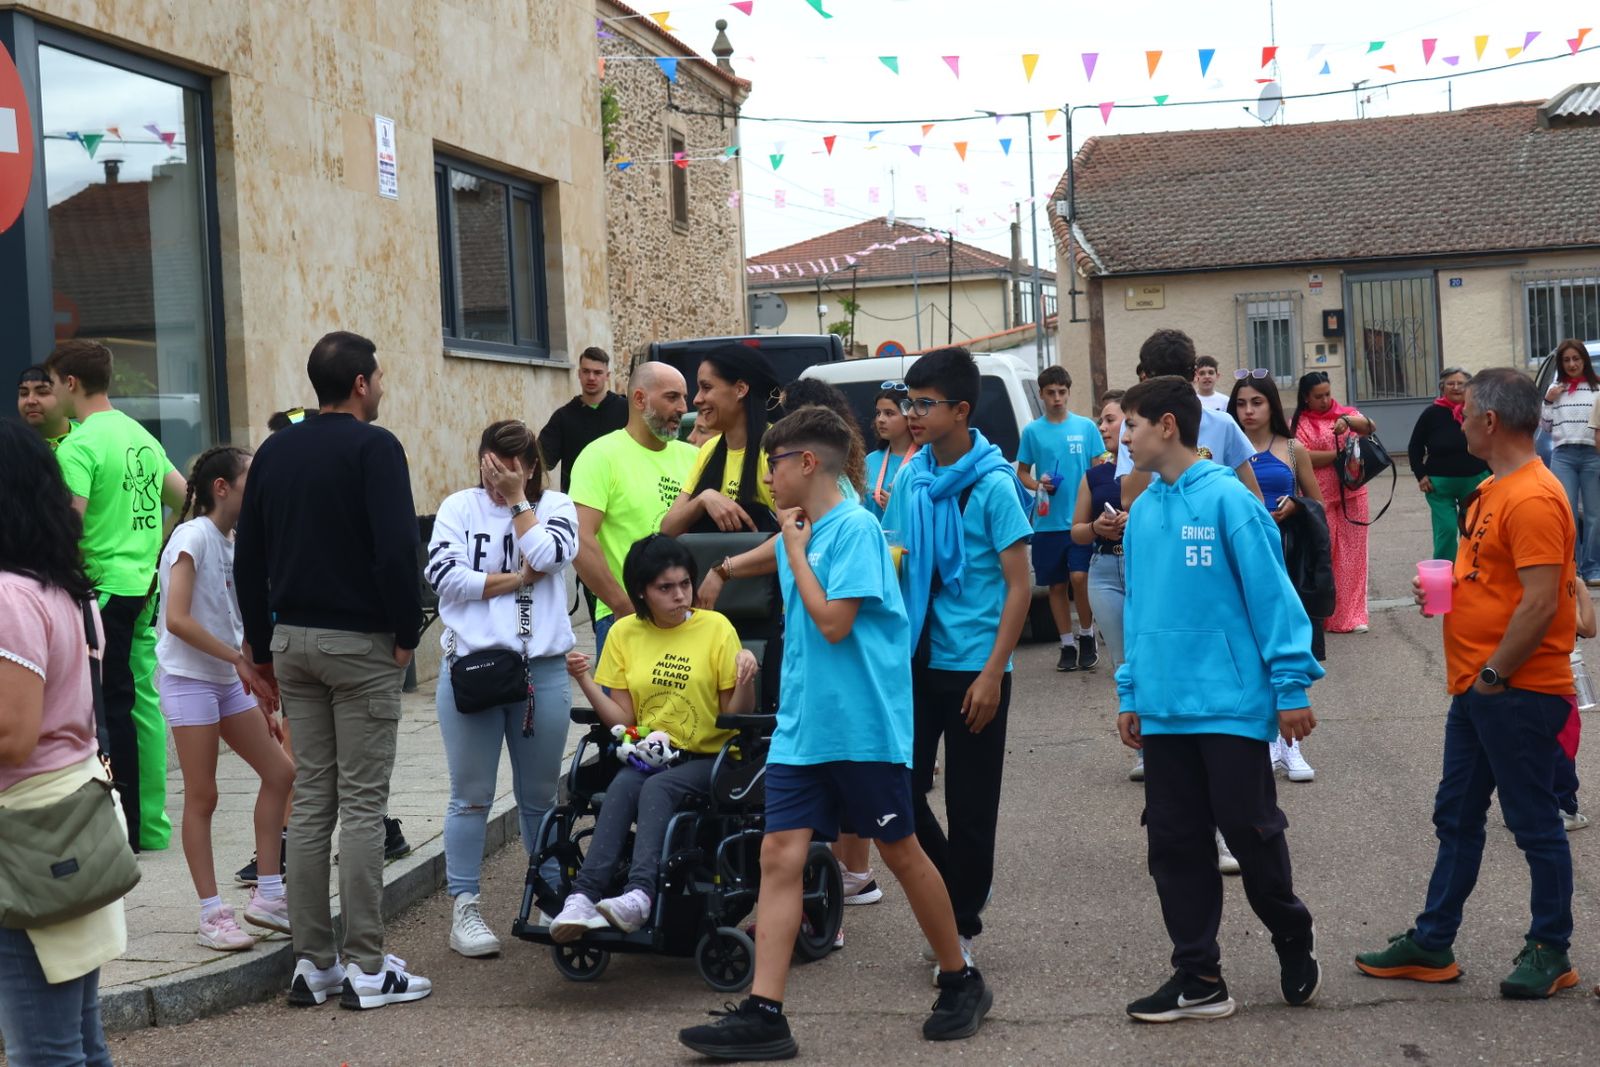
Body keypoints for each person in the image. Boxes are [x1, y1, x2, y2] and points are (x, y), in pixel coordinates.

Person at [678, 407, 993, 1058]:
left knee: (901, 852)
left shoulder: (853, 530)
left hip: (861, 727)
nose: (766, 476)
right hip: (804, 727)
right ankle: (766, 1011)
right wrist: (734, 566)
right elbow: (783, 548)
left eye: (773, 463)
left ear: (807, 462)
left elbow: (832, 623)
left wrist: (791, 549)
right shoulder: (809, 527)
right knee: (779, 856)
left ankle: (961, 980)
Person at [1356, 368, 1581, 1000]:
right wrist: (1453, 592)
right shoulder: (1490, 488)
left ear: (1491, 421)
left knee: (1534, 822)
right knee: (1456, 815)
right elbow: (1495, 577)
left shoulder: (1533, 496)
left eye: (1467, 410)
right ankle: (1433, 942)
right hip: (1477, 687)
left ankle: (1551, 947)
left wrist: (1493, 674)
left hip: (1515, 689)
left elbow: (1540, 603)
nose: (1458, 418)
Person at [1114, 376, 1325, 1023]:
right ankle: (1199, 975)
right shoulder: (1144, 510)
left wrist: (1291, 687)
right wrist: (1132, 690)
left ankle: (1291, 932)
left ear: (1168, 426)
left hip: (1232, 705)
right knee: (1174, 845)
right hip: (1167, 710)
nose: (1123, 437)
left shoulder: (1231, 501)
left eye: (1131, 425)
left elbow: (1273, 596)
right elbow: (1138, 610)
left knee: (1251, 833)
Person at [234, 330, 431, 1010]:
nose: (381, 386)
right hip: (360, 645)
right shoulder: (376, 447)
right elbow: (397, 548)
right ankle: (369, 965)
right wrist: (407, 635)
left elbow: (248, 556)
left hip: (292, 641)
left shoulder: (276, 450)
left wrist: (260, 649)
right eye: (377, 376)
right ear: (359, 383)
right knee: (365, 805)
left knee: (313, 803)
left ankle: (314, 961)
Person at [881, 346, 1034, 969]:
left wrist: (994, 673)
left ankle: (961, 922)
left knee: (973, 808)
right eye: (909, 403)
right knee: (902, 794)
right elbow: (891, 557)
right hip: (915, 660)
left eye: (925, 404)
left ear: (962, 410)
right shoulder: (912, 479)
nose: (912, 415)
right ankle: (953, 892)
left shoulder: (994, 486)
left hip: (975, 666)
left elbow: (1020, 585)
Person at [551, 535, 757, 939]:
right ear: (642, 592)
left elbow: (735, 717)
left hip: (710, 757)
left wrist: (747, 679)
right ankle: (583, 897)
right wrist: (585, 681)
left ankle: (640, 895)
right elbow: (623, 719)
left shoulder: (716, 628)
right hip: (653, 754)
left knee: (656, 788)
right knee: (624, 784)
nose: (680, 595)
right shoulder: (625, 634)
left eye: (685, 584)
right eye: (666, 588)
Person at [0, 422, 128, 1067]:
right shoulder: (56, 585)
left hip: (28, 835)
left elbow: (13, 735)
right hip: (68, 818)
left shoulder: (6, 595)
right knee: (78, 1041)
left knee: (43, 1053)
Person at [427, 420, 579, 959]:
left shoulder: (556, 507)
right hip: (472, 669)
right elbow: (444, 577)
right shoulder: (458, 507)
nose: (496, 480)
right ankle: (465, 907)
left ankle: (551, 895)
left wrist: (519, 504)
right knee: (470, 796)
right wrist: (512, 582)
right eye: (490, 468)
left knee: (539, 797)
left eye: (510, 470)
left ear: (531, 467)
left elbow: (549, 556)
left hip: (541, 669)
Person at [47, 338, 187, 852]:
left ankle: (121, 826)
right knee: (141, 704)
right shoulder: (140, 438)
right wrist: (152, 546)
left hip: (101, 592)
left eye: (51, 382)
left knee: (105, 709)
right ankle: (150, 825)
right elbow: (184, 496)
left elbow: (69, 524)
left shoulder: (79, 446)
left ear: (70, 383)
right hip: (142, 587)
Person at [155, 446, 296, 951]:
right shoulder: (192, 536)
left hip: (224, 677)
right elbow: (177, 619)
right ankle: (212, 913)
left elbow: (233, 621)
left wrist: (256, 679)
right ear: (222, 488)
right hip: (189, 677)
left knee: (281, 772)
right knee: (203, 794)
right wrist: (240, 665)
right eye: (249, 479)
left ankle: (270, 895)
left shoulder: (234, 541)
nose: (256, 489)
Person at [1229, 370, 1326, 783]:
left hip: (1286, 554)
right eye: (1241, 404)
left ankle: (1293, 743)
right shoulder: (1219, 447)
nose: (1248, 411)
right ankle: (1268, 737)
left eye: (1257, 402)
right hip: (1241, 556)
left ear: (1272, 405)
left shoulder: (1293, 448)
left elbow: (1317, 504)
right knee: (1249, 645)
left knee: (1287, 641)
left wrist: (1296, 507)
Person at [569, 361, 696, 661]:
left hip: (689, 618)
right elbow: (579, 538)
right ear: (639, 399)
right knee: (625, 710)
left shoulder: (695, 458)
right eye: (672, 397)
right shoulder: (600, 456)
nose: (683, 407)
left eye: (684, 398)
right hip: (625, 619)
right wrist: (623, 607)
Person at [1018, 366, 1103, 671]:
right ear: (1041, 394)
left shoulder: (1086, 427)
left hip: (1080, 521)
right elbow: (1022, 474)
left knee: (1080, 578)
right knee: (1055, 586)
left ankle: (1087, 634)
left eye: (1062, 392)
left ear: (1069, 392)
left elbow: (1098, 470)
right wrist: (1039, 484)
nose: (1057, 398)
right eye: (1051, 393)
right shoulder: (1032, 431)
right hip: (1047, 523)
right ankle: (1067, 644)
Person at [1117, 329, 1261, 508]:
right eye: (1159, 381)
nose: (1167, 391)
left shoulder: (1223, 424)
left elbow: (1254, 500)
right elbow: (1129, 501)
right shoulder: (1134, 427)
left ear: (1194, 375)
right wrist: (1148, 445)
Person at [1072, 392, 1136, 766]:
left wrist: (1136, 519)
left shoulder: (1151, 471)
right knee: (1123, 661)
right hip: (1105, 570)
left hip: (1144, 568)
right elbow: (1076, 531)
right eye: (1101, 420)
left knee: (1148, 654)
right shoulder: (1095, 475)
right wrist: (1096, 527)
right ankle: (1144, 746)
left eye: (1110, 419)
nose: (1102, 427)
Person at [661, 346, 781, 536]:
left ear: (740, 389)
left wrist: (729, 566)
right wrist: (703, 499)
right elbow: (667, 529)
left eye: (706, 387)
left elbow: (795, 535)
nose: (697, 399)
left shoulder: (778, 448)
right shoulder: (709, 449)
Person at [1292, 371, 1377, 634]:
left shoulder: (1346, 414)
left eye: (1328, 393)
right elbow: (1303, 458)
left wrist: (1347, 420)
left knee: (1353, 557)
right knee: (1323, 555)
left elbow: (1370, 427)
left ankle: (1352, 616)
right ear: (1306, 398)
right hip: (1318, 496)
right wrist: (1338, 454)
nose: (1325, 400)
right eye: (1318, 396)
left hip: (1353, 494)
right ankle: (1323, 613)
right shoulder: (1299, 423)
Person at [1410, 368, 1489, 564]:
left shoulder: (1478, 411)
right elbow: (1415, 446)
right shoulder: (1431, 414)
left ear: (1469, 387)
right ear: (1442, 388)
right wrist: (1420, 475)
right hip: (1439, 484)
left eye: (1460, 383)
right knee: (1445, 530)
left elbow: (1491, 440)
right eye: (1450, 384)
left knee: (1472, 528)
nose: (1455, 387)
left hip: (1475, 480)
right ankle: (1445, 576)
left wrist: (1493, 474)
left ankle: (1470, 570)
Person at [1542, 339, 1600, 585]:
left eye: (1576, 359)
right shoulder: (1555, 390)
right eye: (1566, 360)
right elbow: (1545, 427)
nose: (1572, 364)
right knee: (1566, 513)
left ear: (1584, 360)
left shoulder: (1597, 389)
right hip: (1563, 456)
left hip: (1592, 455)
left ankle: (1592, 567)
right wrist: (1547, 400)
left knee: (1594, 514)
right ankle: (1572, 567)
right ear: (1561, 364)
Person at [538, 346, 629, 495]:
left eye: (598, 372)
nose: (591, 377)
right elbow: (541, 460)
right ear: (579, 374)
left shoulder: (627, 411)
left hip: (622, 496)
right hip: (578, 500)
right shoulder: (563, 417)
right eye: (586, 371)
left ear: (607, 375)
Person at [866, 385, 916, 520]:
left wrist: (897, 507)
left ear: (908, 417)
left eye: (889, 413)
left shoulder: (923, 460)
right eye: (878, 413)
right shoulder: (870, 461)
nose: (880, 419)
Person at [16, 364, 75, 451]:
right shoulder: (9, 446)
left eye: (42, 392)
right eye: (24, 393)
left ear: (66, 395)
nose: (30, 401)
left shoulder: (89, 438)